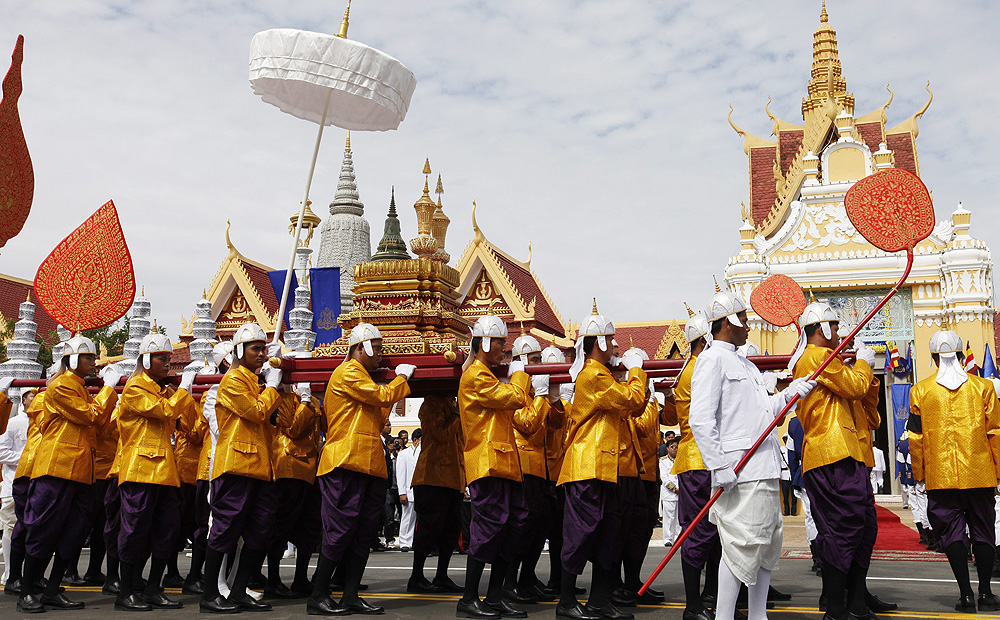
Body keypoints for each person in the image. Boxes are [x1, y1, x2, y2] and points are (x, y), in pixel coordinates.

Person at [688, 287, 815, 620]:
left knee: (766, 547)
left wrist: (790, 397)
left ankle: (759, 615)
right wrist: (718, 466)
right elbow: (700, 419)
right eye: (743, 318)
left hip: (764, 466)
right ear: (728, 322)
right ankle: (725, 616)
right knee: (740, 549)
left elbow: (760, 416)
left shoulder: (743, 363)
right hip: (741, 472)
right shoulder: (712, 359)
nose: (748, 324)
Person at [306, 322, 412, 616]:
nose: (380, 354)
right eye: (376, 348)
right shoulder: (349, 372)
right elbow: (381, 397)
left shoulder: (364, 380)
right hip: (345, 462)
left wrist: (393, 387)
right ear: (358, 348)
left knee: (364, 533)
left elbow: (377, 419)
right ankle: (318, 594)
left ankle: (350, 594)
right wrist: (401, 378)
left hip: (368, 464)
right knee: (340, 530)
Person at [556, 303, 647, 620]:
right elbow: (633, 401)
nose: (616, 346)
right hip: (587, 466)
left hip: (607, 468)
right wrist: (636, 371)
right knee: (581, 535)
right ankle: (566, 602)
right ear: (598, 343)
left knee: (610, 536)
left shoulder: (604, 375)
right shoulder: (593, 375)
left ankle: (598, 602)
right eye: (611, 340)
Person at [18, 335, 122, 612]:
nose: (94, 363)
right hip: (57, 469)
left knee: (74, 532)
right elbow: (91, 417)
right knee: (43, 530)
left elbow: (98, 428)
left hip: (82, 472)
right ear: (73, 360)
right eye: (88, 358)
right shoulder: (61, 387)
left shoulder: (80, 389)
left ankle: (52, 590)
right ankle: (27, 591)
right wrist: (109, 390)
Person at [790, 300, 878, 620]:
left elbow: (870, 411)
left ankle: (854, 600)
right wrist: (865, 365)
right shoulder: (816, 356)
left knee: (863, 528)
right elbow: (856, 385)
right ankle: (837, 606)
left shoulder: (832, 361)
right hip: (831, 454)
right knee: (844, 530)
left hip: (846, 452)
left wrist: (863, 370)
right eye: (836, 326)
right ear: (822, 328)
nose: (840, 332)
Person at [909, 330, 1000, 613]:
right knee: (984, 533)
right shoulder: (984, 388)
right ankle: (985, 593)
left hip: (941, 477)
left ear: (934, 357)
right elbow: (995, 432)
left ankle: (967, 595)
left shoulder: (920, 391)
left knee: (952, 535)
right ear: (962, 355)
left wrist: (920, 474)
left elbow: (915, 437)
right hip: (980, 474)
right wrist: (998, 473)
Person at [455, 313, 535, 619]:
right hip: (487, 462)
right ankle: (469, 597)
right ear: (485, 343)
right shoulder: (476, 376)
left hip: (504, 462)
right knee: (488, 528)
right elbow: (515, 396)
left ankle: (495, 595)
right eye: (500, 341)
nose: (504, 347)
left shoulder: (488, 374)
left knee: (511, 529)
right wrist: (519, 374)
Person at [200, 323, 282, 614]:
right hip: (235, 466)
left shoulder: (254, 382)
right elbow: (257, 411)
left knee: (260, 531)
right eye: (255, 349)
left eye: (263, 349)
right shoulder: (233, 380)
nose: (261, 354)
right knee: (225, 531)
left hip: (260, 467)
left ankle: (237, 591)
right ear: (239, 351)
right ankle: (209, 594)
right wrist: (272, 387)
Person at [114, 333, 199, 610]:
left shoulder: (164, 391)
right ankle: (126, 591)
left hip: (166, 471)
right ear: (147, 360)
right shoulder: (135, 388)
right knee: (135, 530)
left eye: (169, 359)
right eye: (162, 359)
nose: (167, 364)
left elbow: (186, 426)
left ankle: (152, 588)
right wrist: (184, 391)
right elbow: (164, 412)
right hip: (140, 470)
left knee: (167, 531)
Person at [661, 306, 719, 620]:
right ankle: (694, 605)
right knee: (699, 533)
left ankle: (711, 596)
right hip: (700, 459)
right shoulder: (700, 368)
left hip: (703, 460)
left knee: (713, 531)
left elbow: (670, 415)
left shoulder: (693, 368)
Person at [504, 332, 564, 605]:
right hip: (522, 465)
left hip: (540, 469)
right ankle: (509, 581)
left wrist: (553, 398)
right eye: (535, 360)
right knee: (522, 526)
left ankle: (527, 577)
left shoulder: (534, 393)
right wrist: (540, 396)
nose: (540, 365)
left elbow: (555, 424)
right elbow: (527, 423)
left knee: (542, 525)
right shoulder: (513, 391)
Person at [264, 382, 321, 598]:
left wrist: (310, 401)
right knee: (281, 526)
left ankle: (300, 579)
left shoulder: (313, 400)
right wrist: (304, 402)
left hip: (309, 470)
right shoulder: (283, 399)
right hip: (288, 467)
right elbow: (294, 429)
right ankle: (273, 580)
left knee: (309, 527)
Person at [406, 397, 465, 594]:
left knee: (450, 530)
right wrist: (457, 415)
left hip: (453, 479)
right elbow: (441, 434)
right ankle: (416, 576)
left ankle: (441, 576)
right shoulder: (431, 404)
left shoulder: (451, 403)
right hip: (432, 477)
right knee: (428, 529)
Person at [0, 381, 25, 586]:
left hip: (34, 484)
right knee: (11, 528)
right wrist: (26, 457)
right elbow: (2, 452)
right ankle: (9, 570)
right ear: (24, 400)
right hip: (13, 483)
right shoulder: (15, 422)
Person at [396, 428, 422, 552]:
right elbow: (401, 474)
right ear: (416, 440)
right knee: (408, 517)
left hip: (421, 491)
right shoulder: (404, 454)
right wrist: (402, 493)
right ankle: (404, 541)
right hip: (408, 491)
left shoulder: (424, 452)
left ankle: (414, 541)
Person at [659, 436, 680, 547]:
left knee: (678, 519)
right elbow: (664, 478)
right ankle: (667, 538)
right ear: (667, 448)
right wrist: (675, 489)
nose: (674, 449)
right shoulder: (663, 461)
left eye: (676, 447)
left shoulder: (681, 460)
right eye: (672, 447)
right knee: (668, 518)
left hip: (680, 494)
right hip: (669, 494)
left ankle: (677, 538)